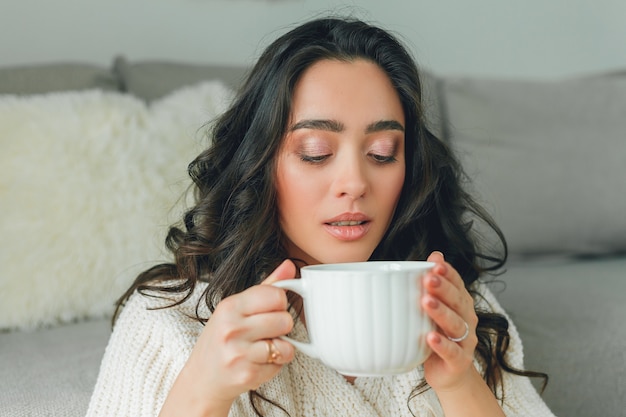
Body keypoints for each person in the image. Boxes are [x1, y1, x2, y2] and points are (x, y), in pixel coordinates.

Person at [86, 16, 555, 417]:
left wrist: (459, 384)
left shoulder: (454, 308)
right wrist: (202, 390)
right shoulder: (167, 320)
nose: (355, 182)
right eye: (315, 153)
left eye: (382, 152)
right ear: (260, 164)